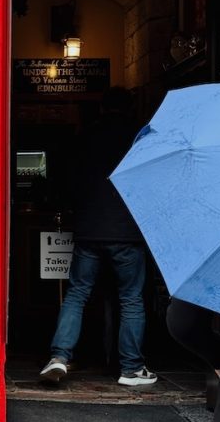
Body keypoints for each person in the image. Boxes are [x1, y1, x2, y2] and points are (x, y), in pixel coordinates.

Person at [39, 86, 156, 387]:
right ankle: (131, 369)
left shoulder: (83, 136)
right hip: (128, 232)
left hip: (89, 229)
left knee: (78, 293)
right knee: (131, 299)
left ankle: (59, 357)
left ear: (102, 107)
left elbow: (65, 179)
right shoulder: (141, 136)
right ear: (130, 107)